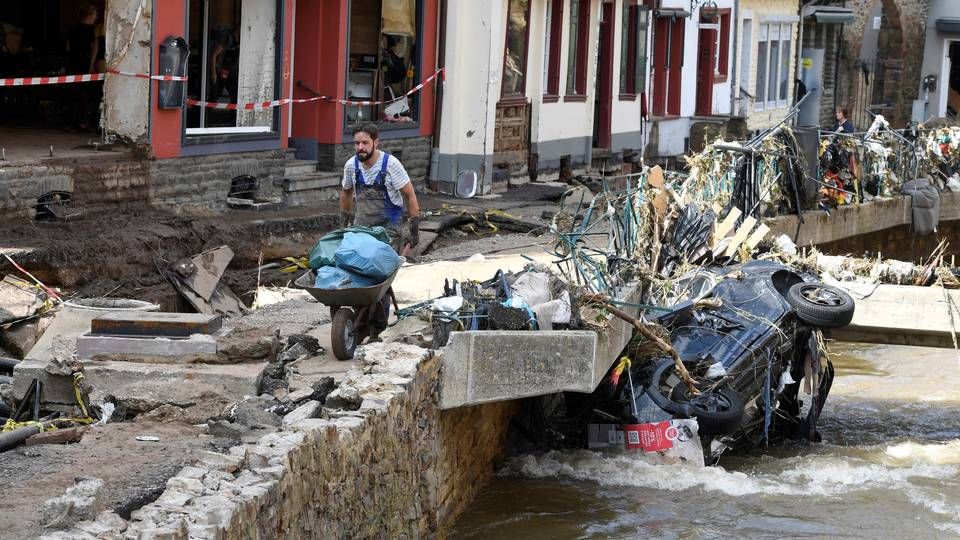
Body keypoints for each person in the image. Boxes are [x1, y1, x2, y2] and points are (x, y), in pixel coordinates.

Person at [339, 123, 421, 338]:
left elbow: (409, 194)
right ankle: (358, 325)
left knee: (379, 276)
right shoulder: (351, 166)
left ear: (376, 142)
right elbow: (346, 193)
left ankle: (377, 328)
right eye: (357, 143)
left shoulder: (390, 164)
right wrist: (343, 223)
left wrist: (412, 227)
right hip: (362, 227)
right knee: (357, 273)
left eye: (365, 142)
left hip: (388, 228)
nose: (360, 147)